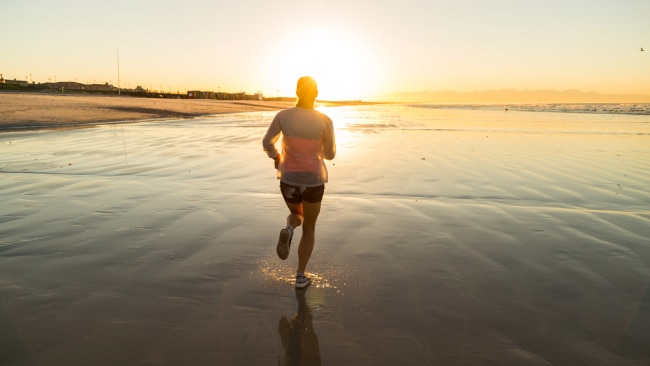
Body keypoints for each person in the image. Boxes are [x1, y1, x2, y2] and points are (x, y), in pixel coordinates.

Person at [262, 76, 336, 289]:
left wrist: (276, 157)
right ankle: (301, 276)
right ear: (316, 94)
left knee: (297, 215)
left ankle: (289, 229)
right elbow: (330, 155)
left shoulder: (283, 116)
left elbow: (267, 142)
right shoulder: (324, 120)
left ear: (297, 92)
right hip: (313, 181)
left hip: (289, 180)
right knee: (310, 226)